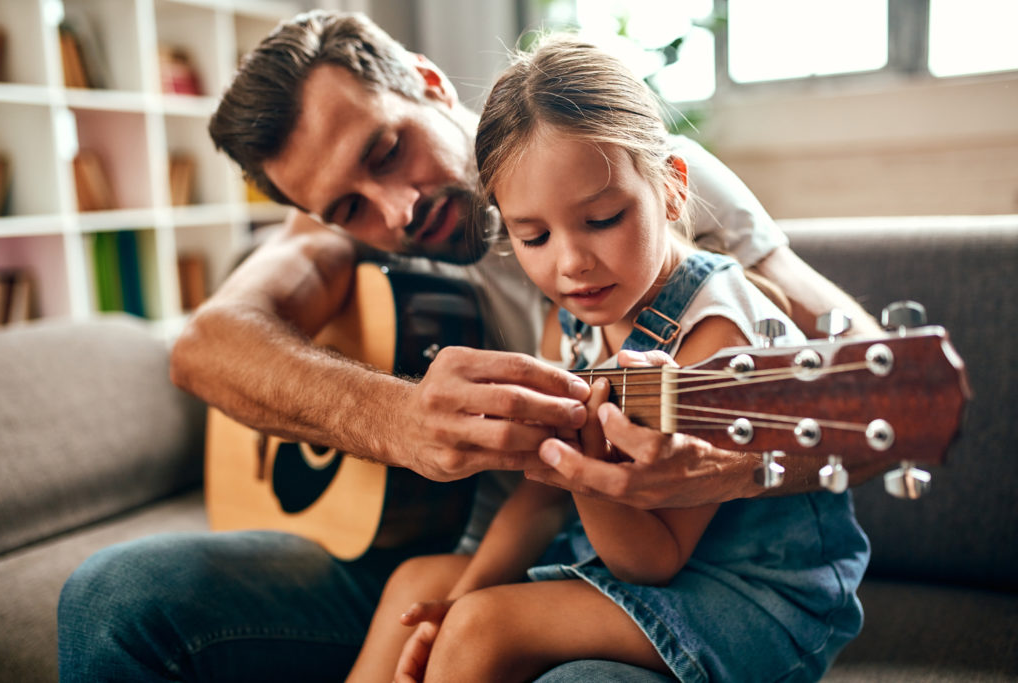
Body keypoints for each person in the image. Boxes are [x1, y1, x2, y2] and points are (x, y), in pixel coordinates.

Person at [57, 10, 878, 682]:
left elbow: (875, 387)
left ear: (428, 81)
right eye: (346, 208)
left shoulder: (635, 175)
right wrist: (399, 418)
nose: (396, 212)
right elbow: (207, 346)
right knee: (110, 597)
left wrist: (723, 462)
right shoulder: (353, 236)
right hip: (486, 545)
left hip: (668, 570)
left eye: (387, 150)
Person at [342, 34, 870, 682]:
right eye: (532, 235)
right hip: (612, 559)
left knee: (483, 627)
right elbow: (540, 501)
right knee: (417, 585)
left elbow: (653, 559)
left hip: (751, 593)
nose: (571, 263)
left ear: (672, 189)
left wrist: (579, 458)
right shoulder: (565, 322)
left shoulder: (716, 337)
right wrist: (458, 594)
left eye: (602, 218)